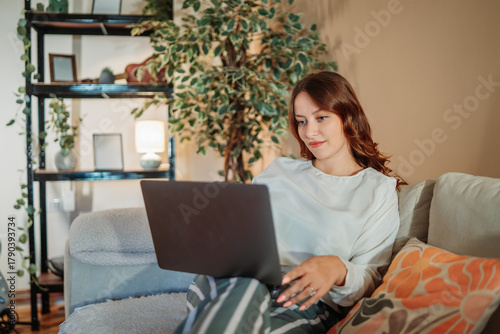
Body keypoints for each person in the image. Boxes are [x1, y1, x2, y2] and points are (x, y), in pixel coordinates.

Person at [174, 71, 402, 334]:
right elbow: (242, 229)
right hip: (234, 280)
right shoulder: (279, 171)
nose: (309, 132)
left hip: (304, 299)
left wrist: (337, 269)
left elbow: (371, 279)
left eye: (321, 117)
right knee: (247, 287)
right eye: (301, 121)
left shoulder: (378, 190)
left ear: (348, 117)